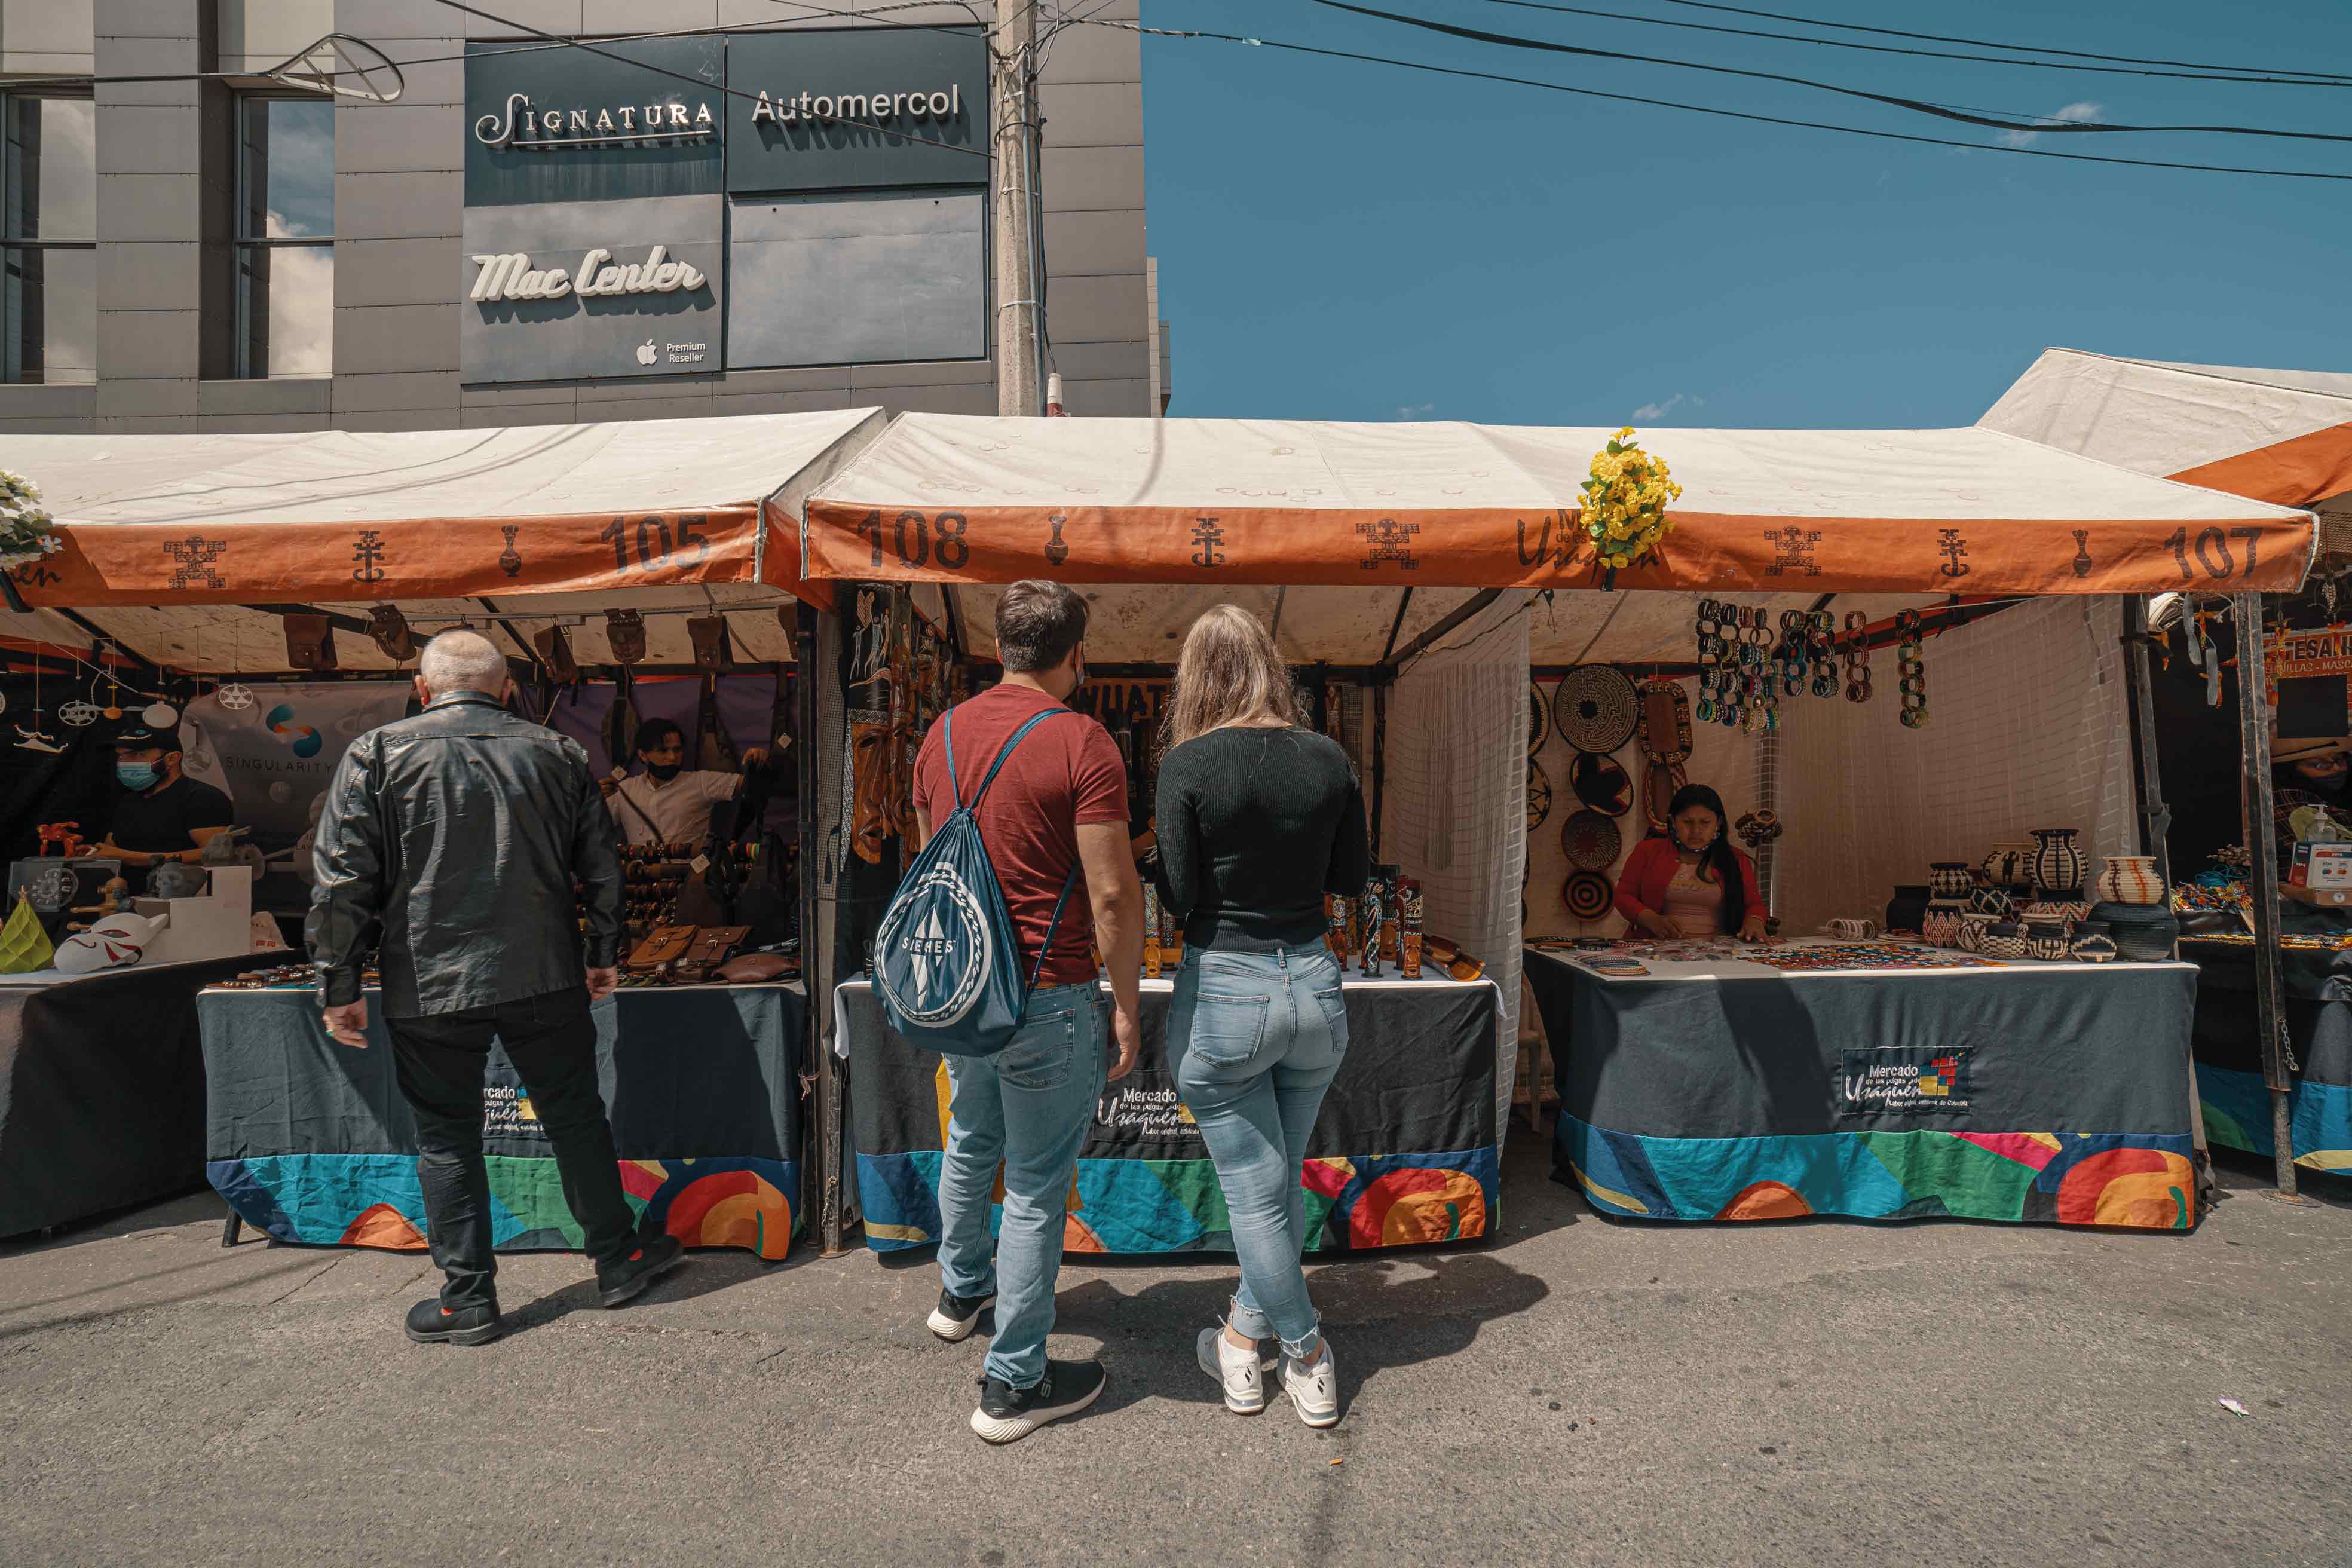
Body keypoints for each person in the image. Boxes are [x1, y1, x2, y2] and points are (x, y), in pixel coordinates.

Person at [307, 630, 684, 1348]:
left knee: (447, 1138)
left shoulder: (378, 753)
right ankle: (618, 1260)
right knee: (575, 1115)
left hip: (429, 980)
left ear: (423, 689)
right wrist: (603, 951)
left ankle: (469, 1300)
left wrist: (340, 980)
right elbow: (603, 866)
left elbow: (341, 879)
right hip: (544, 972)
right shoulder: (559, 752)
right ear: (508, 689)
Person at [909, 581, 1144, 1444]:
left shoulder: (938, 735)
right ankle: (1013, 1382)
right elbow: (1114, 893)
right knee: (1040, 1185)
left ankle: (959, 1292)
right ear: (1076, 652)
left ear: (998, 644)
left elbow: (934, 860)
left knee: (970, 1138)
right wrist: (1126, 1003)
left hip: (962, 986)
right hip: (1050, 991)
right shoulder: (1084, 743)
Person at [1154, 605, 1369, 1429]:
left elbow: (1177, 896)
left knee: (1256, 1199)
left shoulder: (1189, 764)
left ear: (1198, 679)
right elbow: (1350, 875)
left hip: (1229, 987)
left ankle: (1307, 1354)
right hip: (1313, 982)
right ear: (1272, 669)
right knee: (1274, 1186)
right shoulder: (1329, 758)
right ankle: (1244, 1346)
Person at [1613, 782, 1774, 942]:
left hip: (1719, 953)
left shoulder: (1736, 858)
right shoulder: (1647, 851)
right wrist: (1651, 919)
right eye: (1687, 822)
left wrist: (1754, 921)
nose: (1696, 831)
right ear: (1673, 821)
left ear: (1718, 823)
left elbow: (1754, 904)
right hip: (1653, 950)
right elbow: (1623, 896)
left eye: (1705, 823)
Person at [79, 718, 234, 867]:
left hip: (179, 892)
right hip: (124, 892)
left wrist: (127, 858)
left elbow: (214, 856)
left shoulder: (203, 798)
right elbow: (113, 849)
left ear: (172, 759)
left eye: (138, 754)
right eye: (121, 756)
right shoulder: (128, 801)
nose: (124, 763)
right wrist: (92, 853)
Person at [601, 718, 772, 847]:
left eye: (677, 750)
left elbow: (754, 786)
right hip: (640, 886)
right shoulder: (625, 790)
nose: (673, 757)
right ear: (643, 755)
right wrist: (593, 799)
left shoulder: (700, 782)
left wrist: (761, 763)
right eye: (663, 751)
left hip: (690, 883)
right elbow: (589, 827)